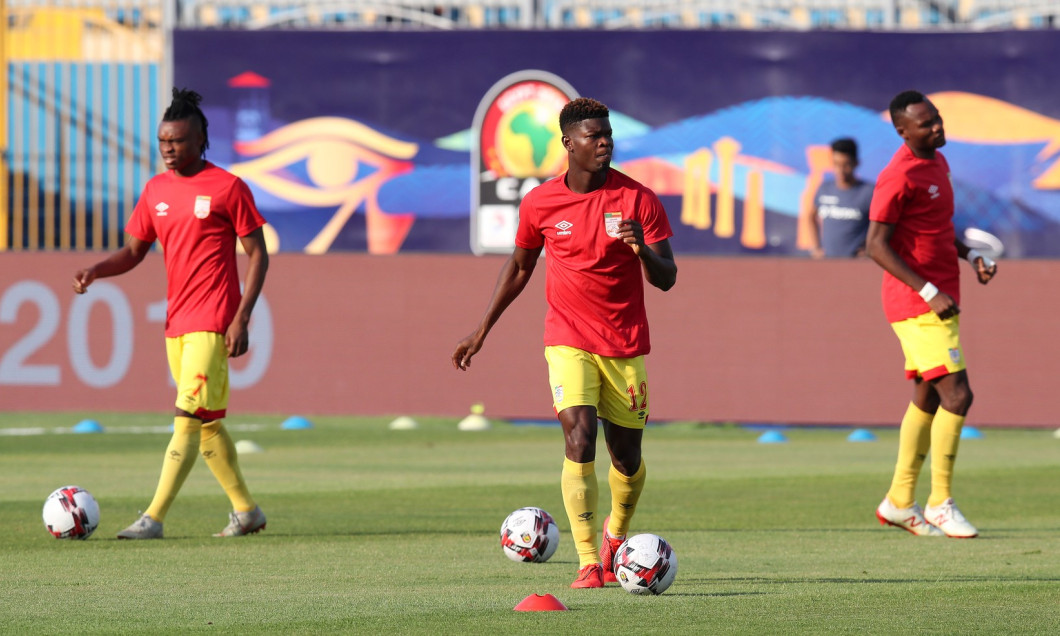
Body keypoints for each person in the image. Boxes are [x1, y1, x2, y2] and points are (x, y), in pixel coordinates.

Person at [452, 97, 677, 589]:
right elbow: (519, 267)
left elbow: (667, 278)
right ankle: (588, 562)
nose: (605, 143)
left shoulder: (639, 200)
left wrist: (641, 248)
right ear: (568, 144)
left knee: (626, 459)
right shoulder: (541, 202)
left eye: (608, 135)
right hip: (567, 338)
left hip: (624, 344)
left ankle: (616, 534)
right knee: (579, 437)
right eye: (594, 136)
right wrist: (482, 329)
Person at [72, 88, 270, 539]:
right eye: (163, 141)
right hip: (176, 323)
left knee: (186, 416)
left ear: (200, 140)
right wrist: (96, 270)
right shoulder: (156, 190)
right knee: (207, 424)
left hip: (213, 320)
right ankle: (247, 511)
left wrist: (241, 317)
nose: (168, 148)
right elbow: (133, 251)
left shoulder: (228, 188)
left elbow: (258, 253)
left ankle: (153, 518)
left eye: (177, 141)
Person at [866, 90, 997, 539]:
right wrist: (927, 290)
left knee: (927, 396)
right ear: (902, 131)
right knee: (957, 395)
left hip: (942, 295)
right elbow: (875, 245)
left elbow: (934, 228)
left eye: (937, 118)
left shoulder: (938, 163)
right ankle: (941, 502)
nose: (938, 127)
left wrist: (970, 255)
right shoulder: (898, 175)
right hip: (917, 303)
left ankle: (899, 502)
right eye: (926, 124)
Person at [802, 137, 874, 258]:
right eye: (836, 164)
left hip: (857, 264)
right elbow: (810, 216)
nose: (840, 170)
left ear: (856, 163)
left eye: (846, 165)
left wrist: (869, 248)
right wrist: (815, 248)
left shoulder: (869, 192)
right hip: (828, 262)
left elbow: (884, 226)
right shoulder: (824, 189)